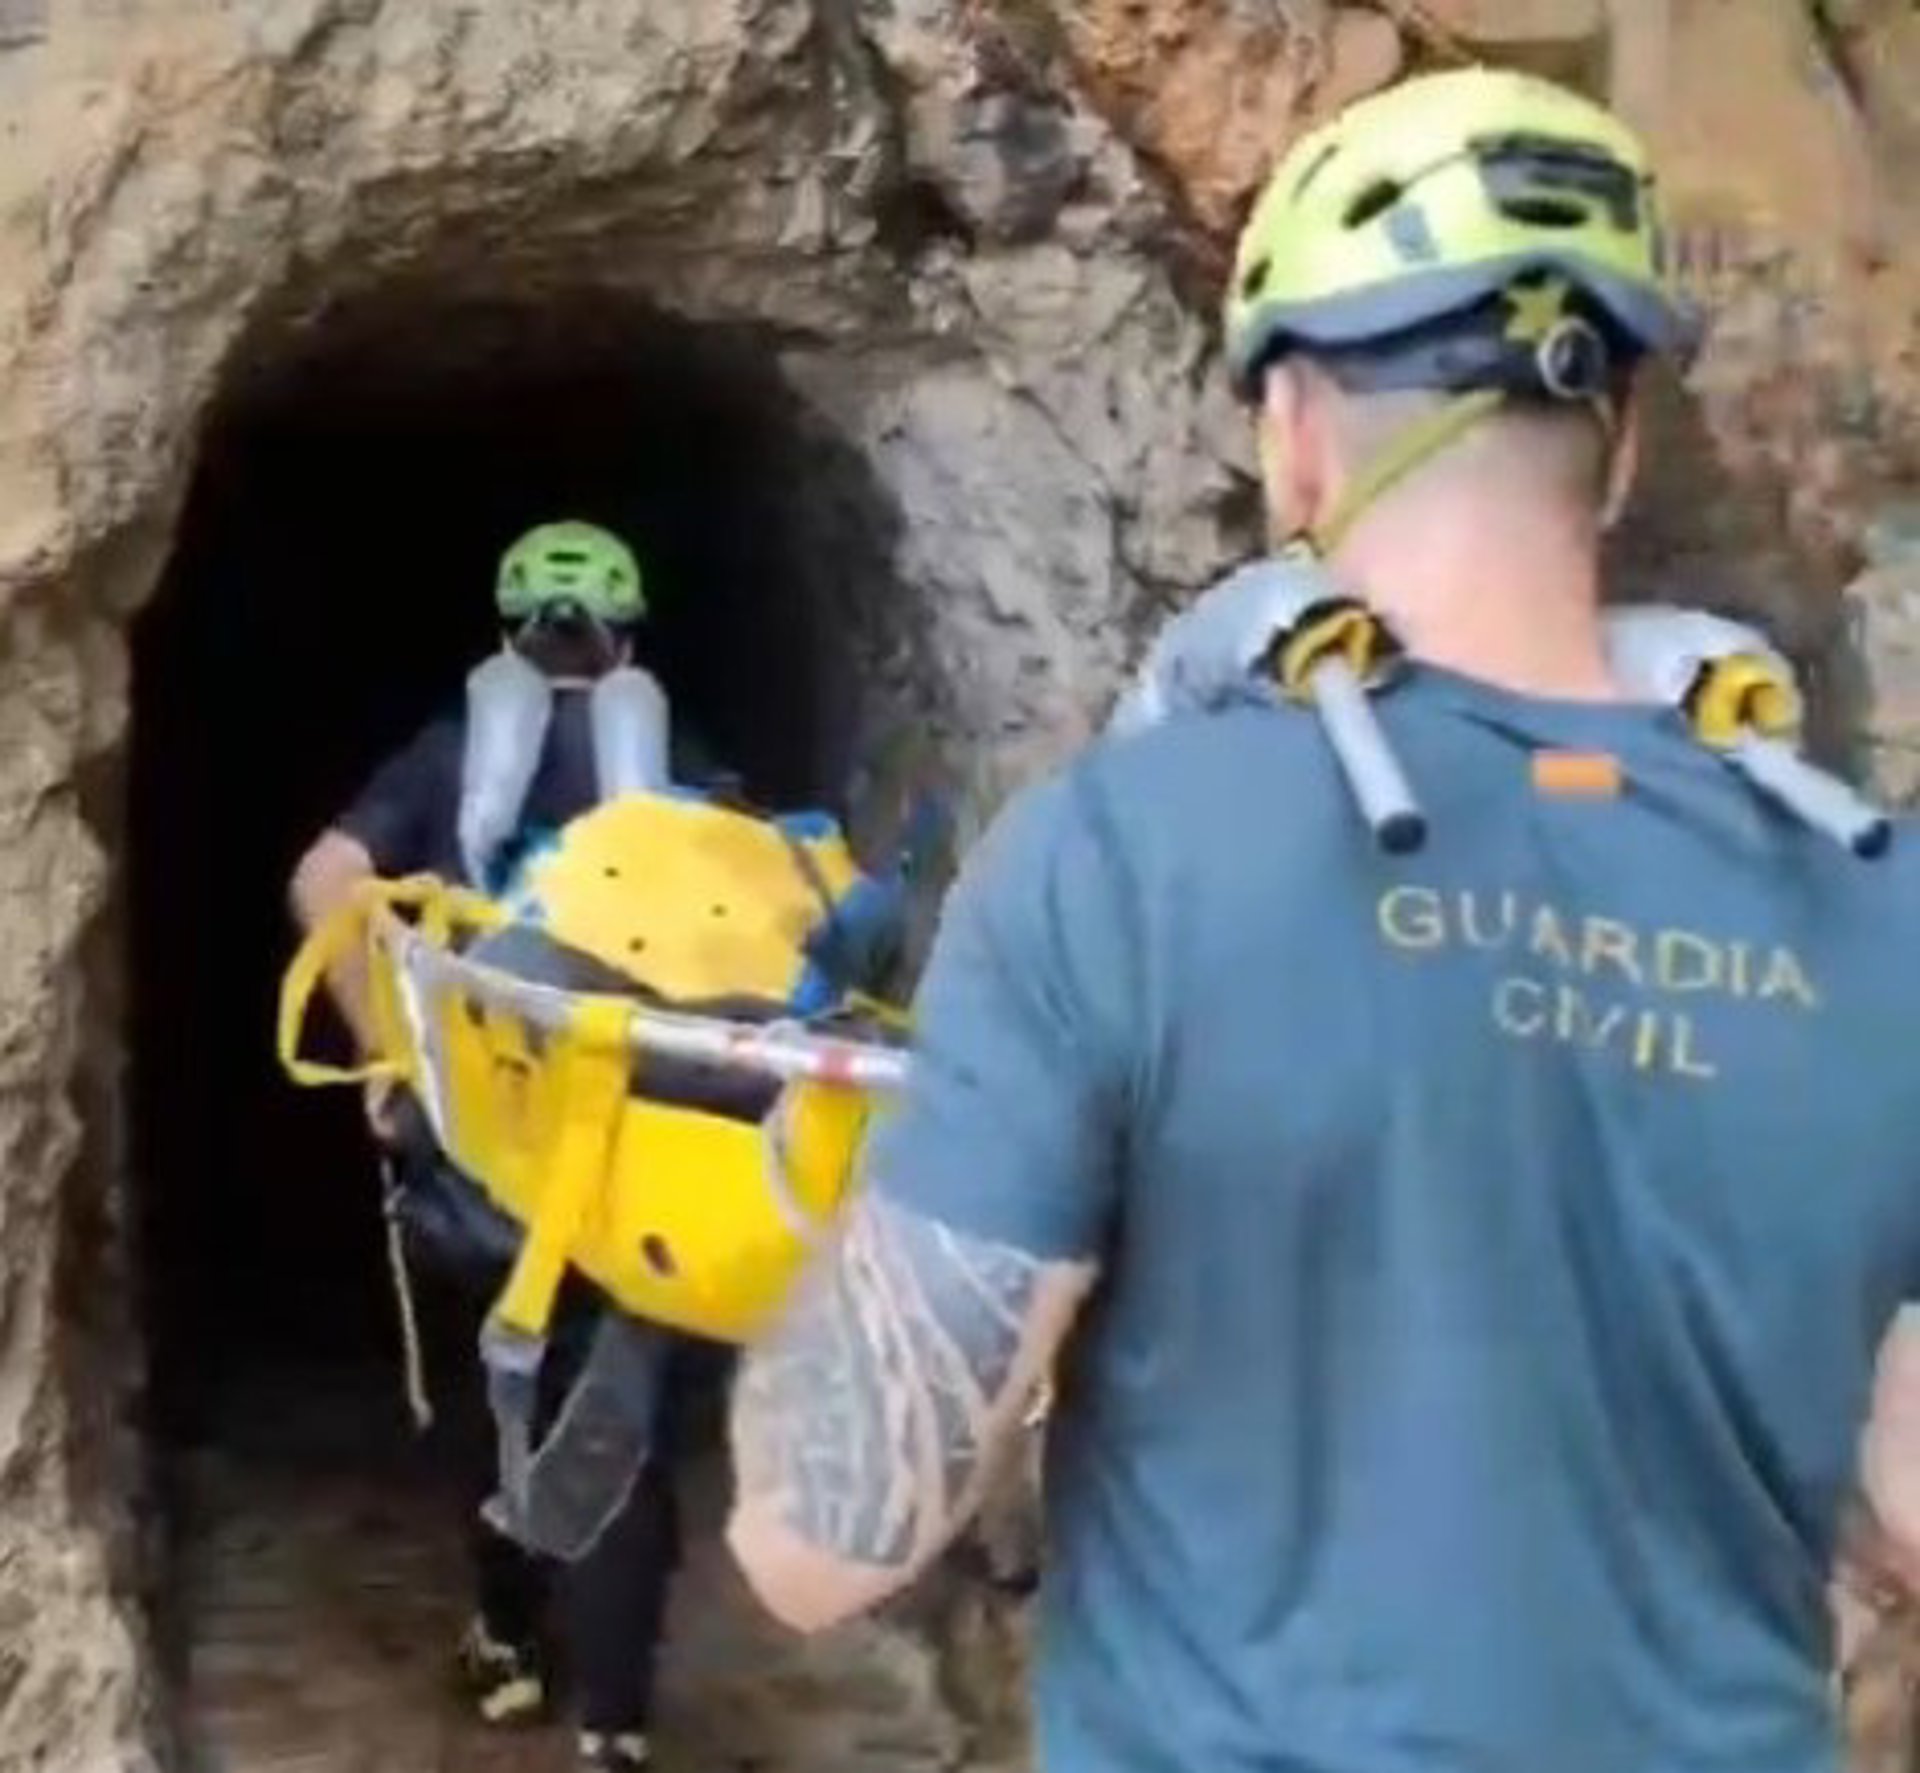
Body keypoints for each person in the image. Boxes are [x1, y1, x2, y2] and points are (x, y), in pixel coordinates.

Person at [721, 66, 1920, 1773]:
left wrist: (871, 1216)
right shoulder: (1877, 905)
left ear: (1291, 431)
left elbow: (824, 1537)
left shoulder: (1124, 856)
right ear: (1622, 437)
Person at [291, 519, 713, 1773]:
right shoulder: (679, 764)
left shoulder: (450, 754)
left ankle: (512, 1644)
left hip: (481, 1139)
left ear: (508, 631)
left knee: (503, 1385)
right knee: (619, 1401)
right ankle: (616, 1722)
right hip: (635, 1142)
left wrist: (387, 1055)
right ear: (628, 636)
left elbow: (324, 879)